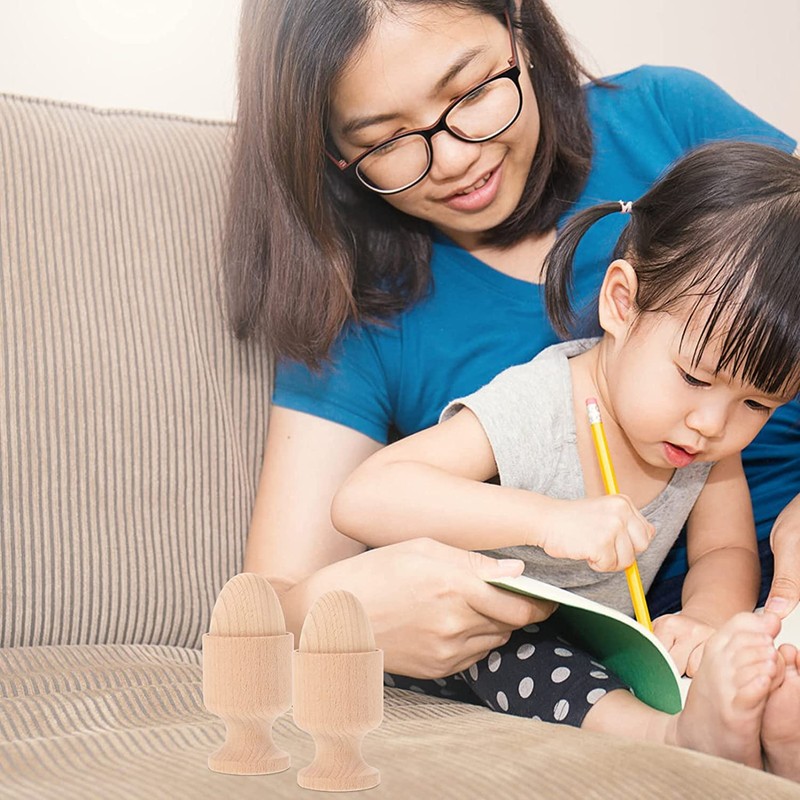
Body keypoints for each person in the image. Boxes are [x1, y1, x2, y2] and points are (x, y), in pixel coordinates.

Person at [225, 0, 800, 694]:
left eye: (470, 91)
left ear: (518, 26)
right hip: (648, 674)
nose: (456, 159)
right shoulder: (361, 307)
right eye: (386, 141)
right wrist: (351, 614)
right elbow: (265, 610)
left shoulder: (671, 120)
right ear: (333, 154)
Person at [331, 140, 800, 775]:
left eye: (757, 405)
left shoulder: (702, 441)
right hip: (459, 647)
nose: (712, 424)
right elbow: (365, 497)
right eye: (694, 376)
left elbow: (726, 552)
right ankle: (668, 740)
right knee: (515, 641)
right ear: (621, 304)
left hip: (598, 654)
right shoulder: (541, 404)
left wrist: (704, 620)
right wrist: (547, 520)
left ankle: (747, 734)